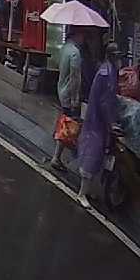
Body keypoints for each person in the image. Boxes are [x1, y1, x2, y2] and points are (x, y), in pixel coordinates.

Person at [78, 41, 120, 202]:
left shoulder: (109, 70)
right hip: (97, 120)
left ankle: (88, 190)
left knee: (97, 155)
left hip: (98, 120)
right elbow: (105, 102)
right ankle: (82, 193)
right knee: (92, 154)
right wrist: (112, 123)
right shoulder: (106, 73)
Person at [47, 26, 85, 172]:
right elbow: (75, 78)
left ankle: (59, 153)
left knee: (64, 122)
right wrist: (75, 99)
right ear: (77, 35)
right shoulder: (75, 53)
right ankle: (57, 157)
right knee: (69, 125)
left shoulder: (64, 48)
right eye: (82, 36)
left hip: (61, 89)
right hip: (69, 93)